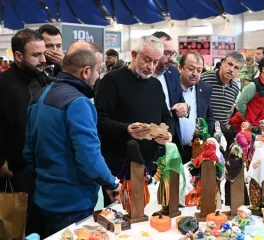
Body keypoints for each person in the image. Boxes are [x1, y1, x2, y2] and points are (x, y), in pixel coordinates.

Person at [24, 42, 121, 237]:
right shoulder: (78, 102)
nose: (99, 76)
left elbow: (28, 152)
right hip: (73, 201)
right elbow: (89, 157)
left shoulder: (39, 96)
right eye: (98, 70)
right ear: (86, 71)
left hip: (44, 198)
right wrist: (111, 183)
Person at [95, 36, 174, 205]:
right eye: (147, 60)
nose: (151, 67)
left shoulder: (155, 85)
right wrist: (126, 129)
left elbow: (166, 116)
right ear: (133, 55)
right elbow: (99, 120)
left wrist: (167, 134)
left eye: (155, 62)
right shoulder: (111, 81)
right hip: (119, 166)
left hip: (150, 164)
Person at [0, 28, 48, 235]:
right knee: (18, 225)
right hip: (14, 171)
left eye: (43, 53)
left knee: (41, 223)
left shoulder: (42, 79)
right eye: (36, 55)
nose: (43, 59)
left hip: (43, 168)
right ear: (18, 56)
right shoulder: (3, 84)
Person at [152, 31, 189, 149]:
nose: (172, 59)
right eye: (167, 53)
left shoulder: (172, 72)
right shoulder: (142, 76)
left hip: (170, 140)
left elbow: (180, 99)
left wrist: (185, 107)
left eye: (173, 53)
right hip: (146, 141)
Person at [178, 51, 214, 164]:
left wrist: (206, 139)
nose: (195, 74)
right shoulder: (171, 87)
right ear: (180, 67)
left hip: (196, 149)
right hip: (173, 148)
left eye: (199, 70)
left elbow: (209, 117)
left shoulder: (205, 88)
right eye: (191, 69)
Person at [201, 51, 245, 127]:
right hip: (204, 132)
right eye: (230, 64)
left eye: (236, 67)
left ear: (239, 71)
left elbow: (229, 111)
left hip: (221, 133)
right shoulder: (204, 79)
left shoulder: (235, 88)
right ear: (223, 63)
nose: (231, 69)